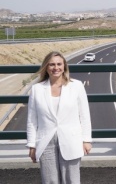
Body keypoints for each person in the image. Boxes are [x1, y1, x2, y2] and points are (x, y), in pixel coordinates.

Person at [26, 51, 92, 184]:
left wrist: (86, 140)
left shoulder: (76, 86)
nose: (56, 68)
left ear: (64, 66)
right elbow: (32, 120)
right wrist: (32, 145)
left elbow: (84, 115)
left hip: (71, 140)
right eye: (51, 64)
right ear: (46, 67)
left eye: (59, 64)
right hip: (46, 141)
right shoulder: (36, 89)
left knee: (71, 180)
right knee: (50, 180)